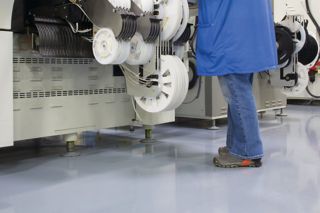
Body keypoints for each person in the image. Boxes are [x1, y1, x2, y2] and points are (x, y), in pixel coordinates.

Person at [196, 0, 278, 168]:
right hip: (246, 29)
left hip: (229, 30)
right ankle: (236, 146)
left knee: (236, 92)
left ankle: (247, 151)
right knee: (239, 89)